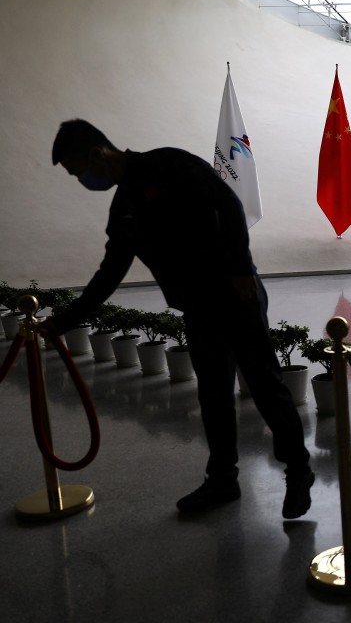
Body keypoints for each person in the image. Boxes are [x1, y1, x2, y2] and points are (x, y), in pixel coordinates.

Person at [44, 119, 314, 518]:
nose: (83, 180)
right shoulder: (123, 211)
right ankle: (223, 480)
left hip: (236, 293)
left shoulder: (169, 164)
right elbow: (108, 275)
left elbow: (230, 204)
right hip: (199, 308)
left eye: (79, 171)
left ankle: (298, 471)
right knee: (214, 395)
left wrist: (241, 267)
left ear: (97, 154)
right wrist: (60, 323)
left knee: (265, 386)